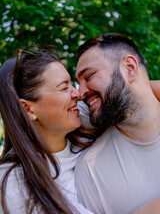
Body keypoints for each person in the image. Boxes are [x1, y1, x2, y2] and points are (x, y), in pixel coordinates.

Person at [0, 49, 94, 214]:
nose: (77, 94)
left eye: (72, 84)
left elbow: (139, 93)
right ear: (28, 109)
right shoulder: (13, 185)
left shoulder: (82, 115)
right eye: (64, 87)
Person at [75, 33, 160, 214]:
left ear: (129, 68)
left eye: (89, 76)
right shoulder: (90, 171)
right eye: (78, 83)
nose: (80, 92)